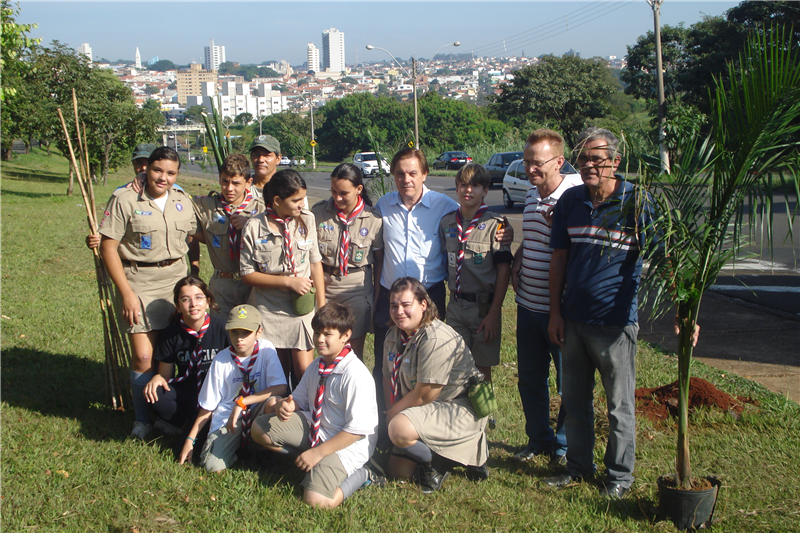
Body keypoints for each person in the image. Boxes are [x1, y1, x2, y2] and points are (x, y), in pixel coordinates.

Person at [545, 127, 697, 498]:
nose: (589, 166)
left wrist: (683, 310)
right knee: (575, 402)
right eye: (583, 159)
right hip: (573, 321)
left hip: (614, 327)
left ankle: (619, 478)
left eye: (597, 159)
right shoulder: (571, 202)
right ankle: (579, 466)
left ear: (615, 161)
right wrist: (555, 313)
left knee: (619, 407)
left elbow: (665, 260)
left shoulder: (637, 203)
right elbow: (559, 259)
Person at [372, 148, 511, 429]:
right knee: (387, 363)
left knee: (436, 363)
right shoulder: (382, 206)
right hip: (393, 297)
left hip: (431, 297)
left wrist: (504, 230)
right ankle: (386, 417)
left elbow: (478, 229)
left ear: (425, 174)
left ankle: (477, 418)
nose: (406, 179)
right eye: (400, 173)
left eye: (413, 173)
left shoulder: (446, 207)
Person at [98, 146, 197, 439]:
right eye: (157, 170)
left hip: (176, 282)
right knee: (143, 355)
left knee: (173, 350)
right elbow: (108, 247)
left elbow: (192, 237)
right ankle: (142, 421)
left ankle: (167, 411)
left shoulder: (182, 200)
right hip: (138, 280)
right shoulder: (125, 199)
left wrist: (193, 272)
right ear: (146, 169)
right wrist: (126, 292)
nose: (162, 178)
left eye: (170, 173)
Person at [252, 302, 381, 508]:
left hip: (347, 445)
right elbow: (300, 401)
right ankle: (310, 462)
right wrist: (285, 406)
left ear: (345, 335)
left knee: (317, 502)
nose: (320, 339)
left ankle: (364, 474)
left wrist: (318, 453)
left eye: (328, 334)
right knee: (260, 429)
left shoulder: (356, 375)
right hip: (317, 428)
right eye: (317, 333)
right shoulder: (317, 365)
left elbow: (356, 432)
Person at [509, 129, 582, 464]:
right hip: (528, 304)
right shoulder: (530, 194)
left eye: (537, 163)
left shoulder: (576, 194)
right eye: (526, 162)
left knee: (569, 382)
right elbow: (533, 238)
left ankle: (565, 446)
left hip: (562, 310)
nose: (530, 169)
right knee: (530, 379)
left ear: (559, 162)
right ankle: (539, 439)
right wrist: (518, 259)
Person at [383, 277, 488, 493]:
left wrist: (393, 414)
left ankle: (442, 460)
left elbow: (426, 394)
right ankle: (439, 453)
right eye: (394, 305)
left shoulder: (435, 338)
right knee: (397, 472)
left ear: (423, 305)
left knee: (399, 429)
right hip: (426, 411)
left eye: (406, 305)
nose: (399, 311)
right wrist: (391, 412)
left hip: (459, 408)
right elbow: (387, 378)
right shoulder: (394, 335)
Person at [240, 169, 325, 387]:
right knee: (276, 373)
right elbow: (247, 274)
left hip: (300, 310)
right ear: (277, 201)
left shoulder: (307, 220)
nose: (301, 204)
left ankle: (305, 416)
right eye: (296, 200)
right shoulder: (254, 227)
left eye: (303, 199)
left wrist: (321, 307)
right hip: (268, 309)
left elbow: (315, 263)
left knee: (304, 372)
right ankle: (278, 416)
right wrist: (287, 282)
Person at [179, 304, 287, 472]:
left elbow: (280, 387)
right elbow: (208, 406)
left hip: (256, 411)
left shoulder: (266, 350)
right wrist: (190, 439)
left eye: (246, 332)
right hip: (228, 421)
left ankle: (264, 451)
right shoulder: (221, 360)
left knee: (275, 402)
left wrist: (243, 402)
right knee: (211, 466)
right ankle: (240, 448)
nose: (239, 338)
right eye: (234, 332)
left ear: (259, 331)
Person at [439, 163, 512, 383]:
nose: (468, 190)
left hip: (483, 309)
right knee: (454, 365)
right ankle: (460, 414)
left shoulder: (495, 225)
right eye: (463, 185)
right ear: (457, 187)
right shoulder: (447, 223)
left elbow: (503, 270)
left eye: (475, 185)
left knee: (481, 370)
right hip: (456, 305)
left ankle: (484, 417)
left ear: (486, 190)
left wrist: (493, 314)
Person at [143, 276, 230, 446]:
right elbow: (165, 376)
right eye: (185, 299)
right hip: (189, 392)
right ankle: (185, 426)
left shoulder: (223, 328)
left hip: (217, 396)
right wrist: (157, 378)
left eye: (199, 298)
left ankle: (199, 429)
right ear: (177, 306)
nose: (193, 304)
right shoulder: (172, 333)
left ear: (208, 302)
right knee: (155, 394)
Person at [311, 163, 383, 358]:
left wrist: (375, 297)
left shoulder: (374, 219)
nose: (337, 198)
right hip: (326, 284)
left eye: (344, 193)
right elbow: (313, 258)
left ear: (359, 189)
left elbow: (378, 263)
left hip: (357, 288)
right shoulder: (318, 213)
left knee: (352, 352)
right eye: (333, 191)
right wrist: (320, 300)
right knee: (325, 347)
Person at [190, 153, 265, 318]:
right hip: (222, 284)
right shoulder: (206, 205)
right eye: (225, 181)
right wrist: (144, 177)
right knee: (221, 333)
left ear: (249, 182)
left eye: (236, 183)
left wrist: (250, 225)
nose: (229, 188)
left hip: (252, 284)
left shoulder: (261, 209)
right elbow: (177, 199)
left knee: (251, 333)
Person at [249, 135, 281, 200]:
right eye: (256, 155)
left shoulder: (288, 188)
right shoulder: (242, 188)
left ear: (278, 159)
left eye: (267, 155)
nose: (261, 160)